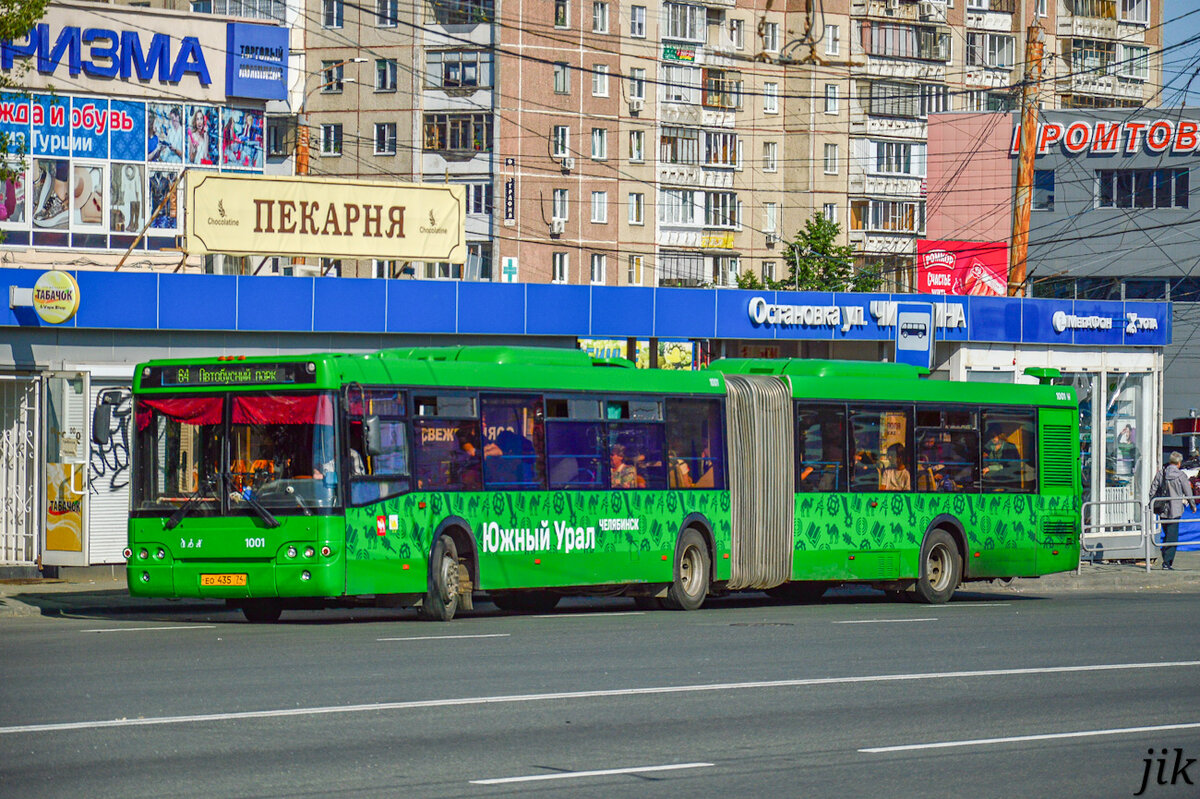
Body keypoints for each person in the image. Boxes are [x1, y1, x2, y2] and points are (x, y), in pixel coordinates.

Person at [1148, 451, 1198, 570]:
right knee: (1172, 536)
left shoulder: (1161, 473)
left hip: (1162, 509)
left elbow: (1152, 490)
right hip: (1175, 510)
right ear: (1179, 463)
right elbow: (1188, 492)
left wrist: (1152, 502)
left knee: (1166, 534)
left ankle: (1165, 557)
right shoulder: (1181, 476)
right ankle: (1167, 562)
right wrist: (1192, 506)